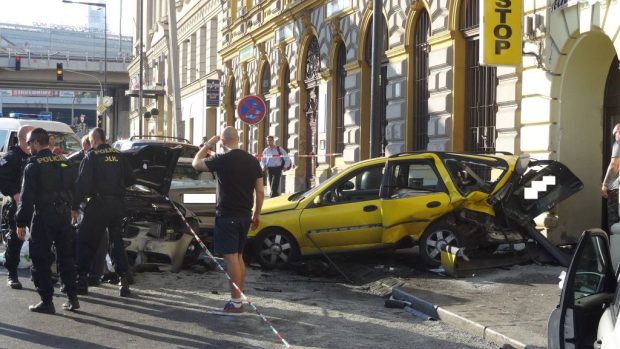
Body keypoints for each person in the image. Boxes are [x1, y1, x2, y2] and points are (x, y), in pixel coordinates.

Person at [192, 126, 264, 314]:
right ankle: (238, 298)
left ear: (222, 142)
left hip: (227, 215)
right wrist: (257, 214)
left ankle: (236, 302)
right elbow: (260, 190)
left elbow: (196, 163)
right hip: (245, 215)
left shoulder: (221, 159)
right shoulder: (252, 161)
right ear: (238, 139)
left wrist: (208, 144)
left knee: (231, 259)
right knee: (239, 257)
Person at [15, 128, 79, 313]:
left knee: (40, 258)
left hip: (44, 216)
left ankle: (47, 301)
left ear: (36, 143)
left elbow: (26, 198)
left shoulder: (33, 165)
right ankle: (72, 297)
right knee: (66, 256)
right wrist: (73, 207)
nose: (28, 148)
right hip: (64, 215)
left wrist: (21, 222)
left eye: (29, 144)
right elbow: (74, 187)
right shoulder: (64, 161)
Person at [72, 128, 136, 297]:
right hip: (117, 205)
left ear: (93, 141)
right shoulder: (119, 155)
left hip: (98, 205)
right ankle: (124, 280)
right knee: (116, 242)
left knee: (86, 241)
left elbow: (82, 184)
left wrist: (74, 205)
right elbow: (131, 179)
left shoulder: (92, 156)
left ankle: (81, 281)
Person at [0, 125, 33, 289]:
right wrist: (14, 193)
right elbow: (2, 178)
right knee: (17, 239)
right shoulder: (12, 157)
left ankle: (39, 273)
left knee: (40, 240)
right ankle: (12, 273)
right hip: (18, 206)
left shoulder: (38, 156)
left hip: (37, 205)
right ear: (24, 139)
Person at [602, 123, 620, 232]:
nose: (615, 137)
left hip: (616, 188)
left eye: (615, 134)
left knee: (614, 223)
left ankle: (614, 248)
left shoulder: (618, 143)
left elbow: (614, 164)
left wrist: (605, 184)